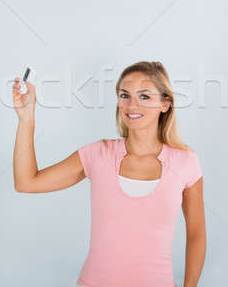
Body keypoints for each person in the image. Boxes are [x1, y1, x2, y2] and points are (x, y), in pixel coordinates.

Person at [12, 61, 206, 287]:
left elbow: (196, 233)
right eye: (125, 95)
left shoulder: (185, 162)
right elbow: (26, 182)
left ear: (165, 104)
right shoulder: (98, 154)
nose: (132, 105)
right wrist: (26, 118)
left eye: (144, 97)